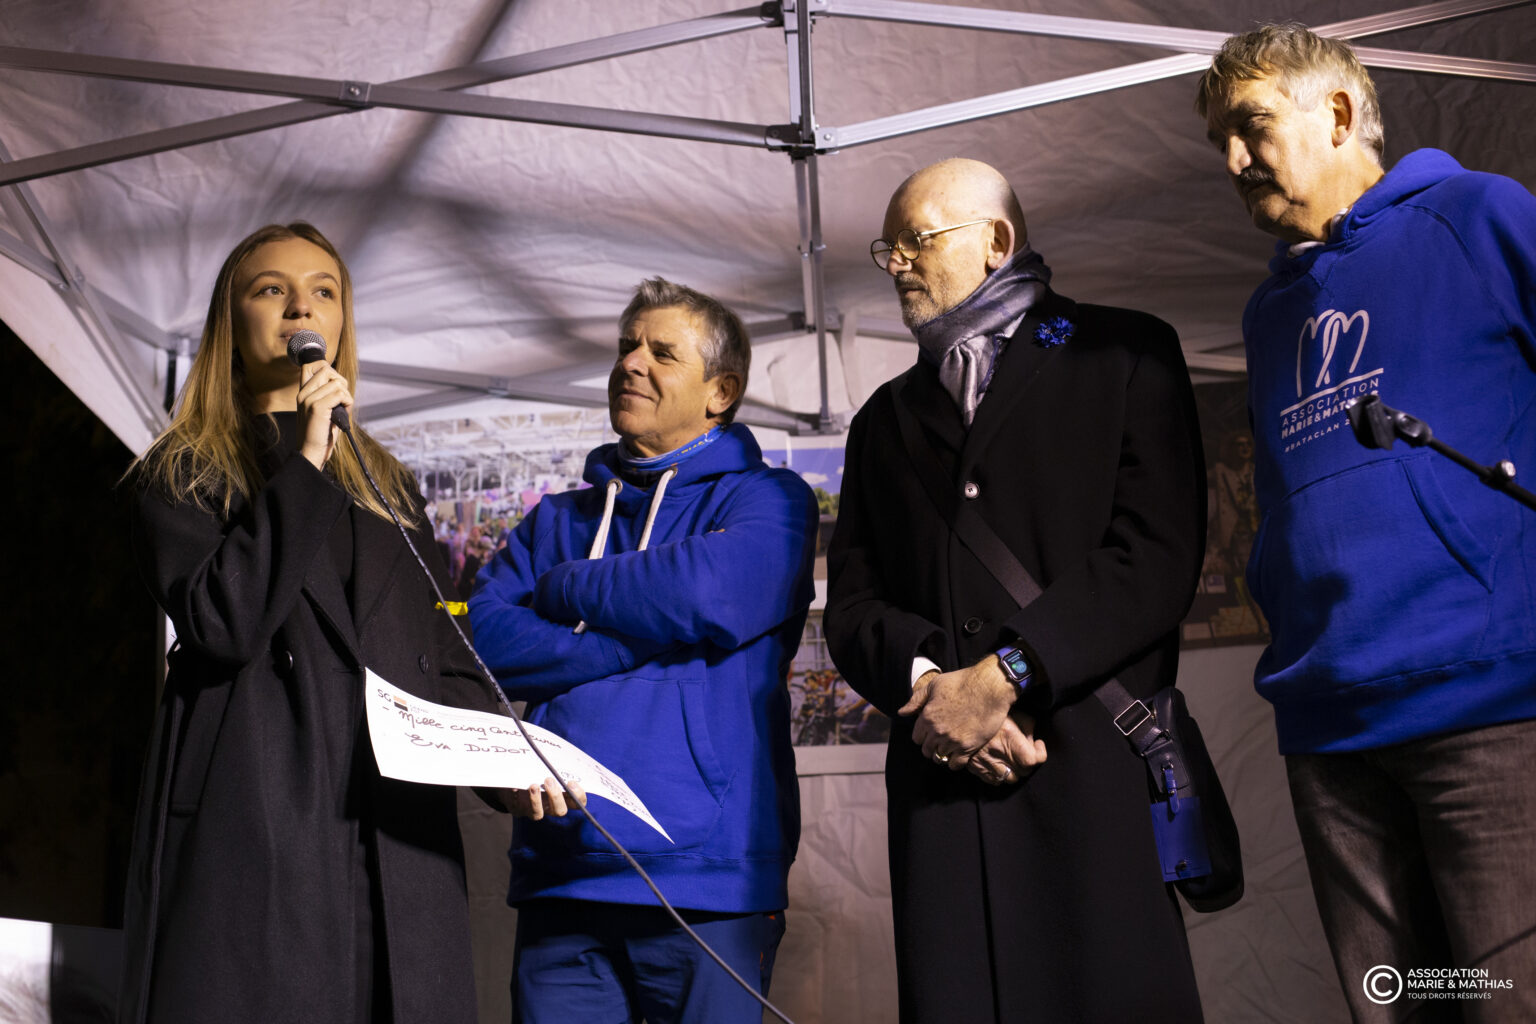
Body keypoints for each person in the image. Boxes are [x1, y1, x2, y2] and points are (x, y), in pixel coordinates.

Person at [1197, 24, 1536, 1019]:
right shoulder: (1270, 313)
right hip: (1329, 723)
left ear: (1338, 112)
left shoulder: (1479, 216)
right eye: (1220, 141)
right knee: (1400, 1000)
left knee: (1503, 996)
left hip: (1488, 705)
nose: (1233, 160)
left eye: (1251, 125)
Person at [823, 158, 1208, 1022]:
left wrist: (1005, 676)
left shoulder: (1126, 354)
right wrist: (935, 690)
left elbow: (1155, 556)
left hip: (1089, 780)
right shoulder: (881, 420)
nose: (896, 263)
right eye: (888, 249)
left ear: (996, 241)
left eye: (917, 240)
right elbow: (851, 605)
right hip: (943, 793)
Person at [119, 222, 501, 1023]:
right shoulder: (181, 471)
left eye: (323, 291)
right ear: (232, 322)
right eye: (272, 289)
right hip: (262, 823)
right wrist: (307, 461)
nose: (301, 306)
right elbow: (224, 621)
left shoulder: (389, 483)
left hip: (393, 830)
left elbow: (441, 653)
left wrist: (511, 765)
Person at [468, 277, 818, 1024]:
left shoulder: (769, 499)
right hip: (560, 871)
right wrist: (641, 640)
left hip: (710, 880)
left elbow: (708, 592)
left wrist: (562, 588)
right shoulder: (555, 519)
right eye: (628, 346)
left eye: (663, 352)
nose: (631, 362)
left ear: (721, 391)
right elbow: (484, 640)